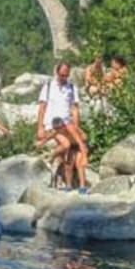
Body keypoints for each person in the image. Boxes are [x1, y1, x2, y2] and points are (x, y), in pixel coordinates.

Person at [36, 63, 88, 192]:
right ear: (56, 72)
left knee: (70, 155)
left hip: (66, 124)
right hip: (52, 124)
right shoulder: (48, 87)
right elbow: (42, 108)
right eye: (61, 75)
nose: (64, 77)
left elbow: (75, 109)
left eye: (66, 75)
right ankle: (51, 158)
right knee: (66, 145)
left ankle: (74, 185)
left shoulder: (71, 88)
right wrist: (40, 128)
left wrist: (76, 127)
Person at [37, 117, 80, 189]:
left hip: (75, 145)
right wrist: (42, 142)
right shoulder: (56, 131)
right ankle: (67, 184)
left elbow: (80, 140)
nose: (57, 130)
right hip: (67, 146)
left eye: (59, 128)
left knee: (68, 164)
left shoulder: (70, 128)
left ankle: (68, 184)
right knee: (66, 163)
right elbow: (49, 136)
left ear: (63, 125)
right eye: (55, 129)